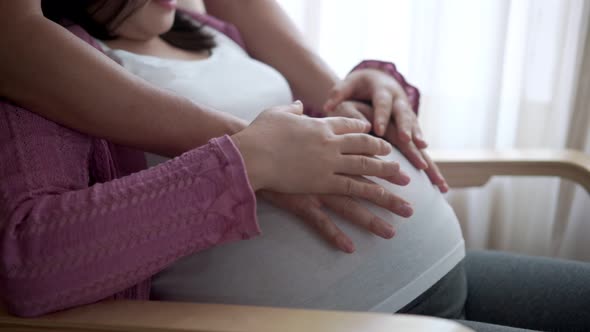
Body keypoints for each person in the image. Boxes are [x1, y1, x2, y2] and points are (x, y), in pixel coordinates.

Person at [0, 1, 588, 332]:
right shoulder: (54, 79)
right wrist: (245, 162)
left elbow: (310, 128)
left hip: (451, 275)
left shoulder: (209, 29)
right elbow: (32, 261)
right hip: (347, 321)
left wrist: (379, 87)